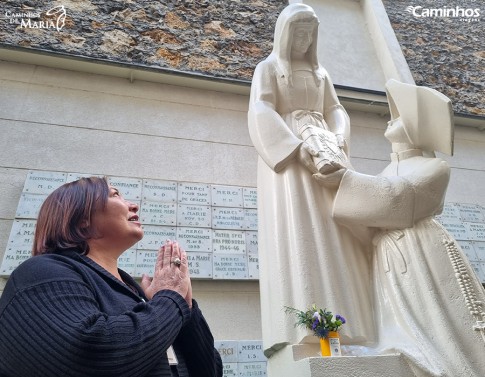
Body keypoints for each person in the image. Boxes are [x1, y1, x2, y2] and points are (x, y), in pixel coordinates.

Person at [317, 79, 485, 376]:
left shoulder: (434, 167)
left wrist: (345, 181)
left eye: (399, 115)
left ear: (415, 126)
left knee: (434, 317)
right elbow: (375, 201)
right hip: (390, 253)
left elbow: (402, 199)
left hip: (419, 249)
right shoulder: (386, 171)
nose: (391, 118)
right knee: (397, 315)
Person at [248, 3, 375, 357]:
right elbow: (262, 109)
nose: (304, 40)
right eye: (298, 33)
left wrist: (337, 138)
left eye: (310, 33)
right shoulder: (269, 69)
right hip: (293, 157)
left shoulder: (321, 75)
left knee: (338, 227)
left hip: (327, 153)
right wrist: (296, 148)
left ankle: (351, 326)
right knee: (302, 227)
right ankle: (307, 326)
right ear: (286, 34)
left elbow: (336, 110)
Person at [0, 176, 223, 377]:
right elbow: (92, 357)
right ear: (81, 217)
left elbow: (210, 371)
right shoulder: (40, 273)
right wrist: (170, 299)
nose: (133, 205)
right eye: (115, 194)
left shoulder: (138, 295)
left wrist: (185, 308)